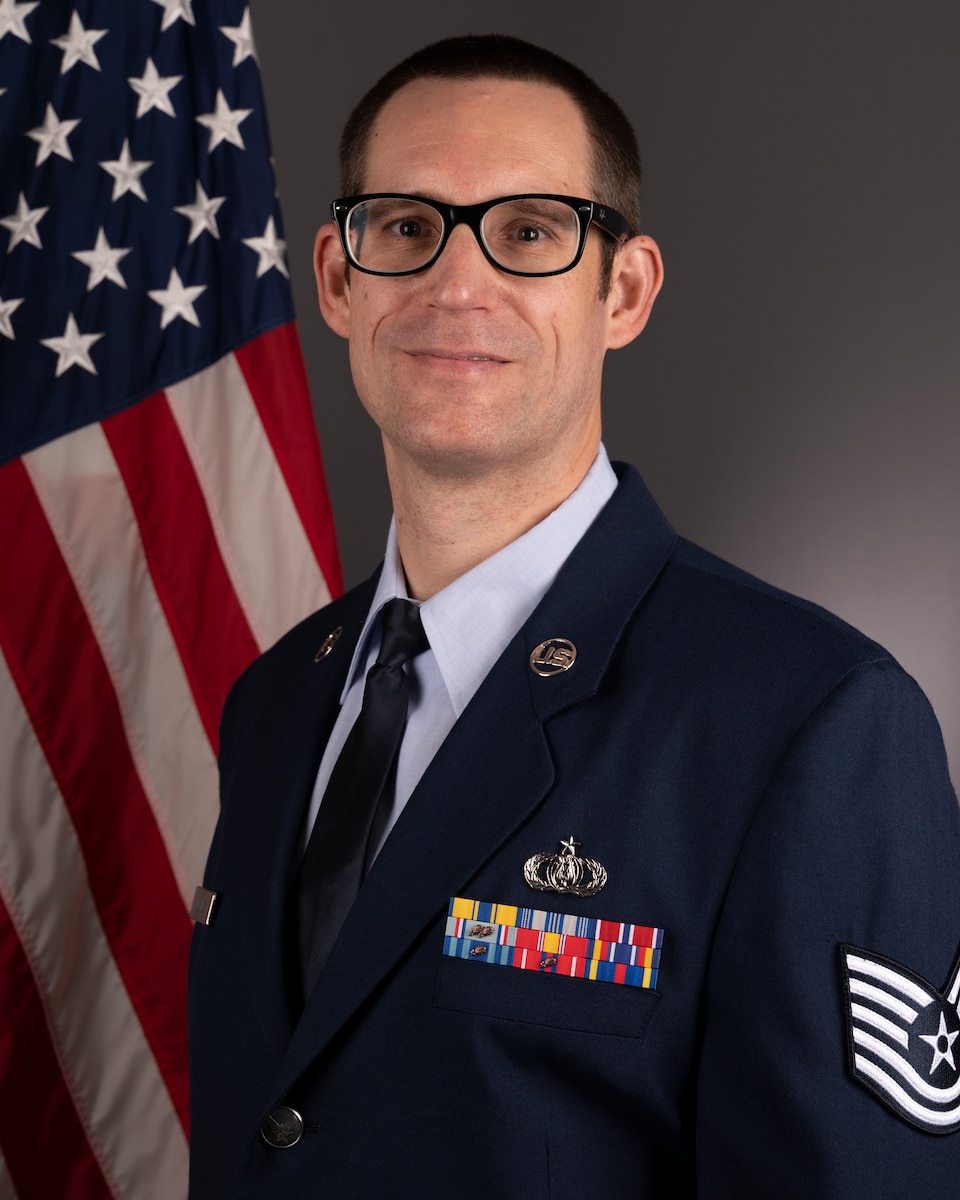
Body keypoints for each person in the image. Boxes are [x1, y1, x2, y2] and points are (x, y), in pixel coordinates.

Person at [187, 34, 960, 1198]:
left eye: (531, 232)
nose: (457, 284)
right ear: (339, 281)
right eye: (405, 226)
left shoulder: (809, 721)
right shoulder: (278, 696)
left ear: (627, 291)